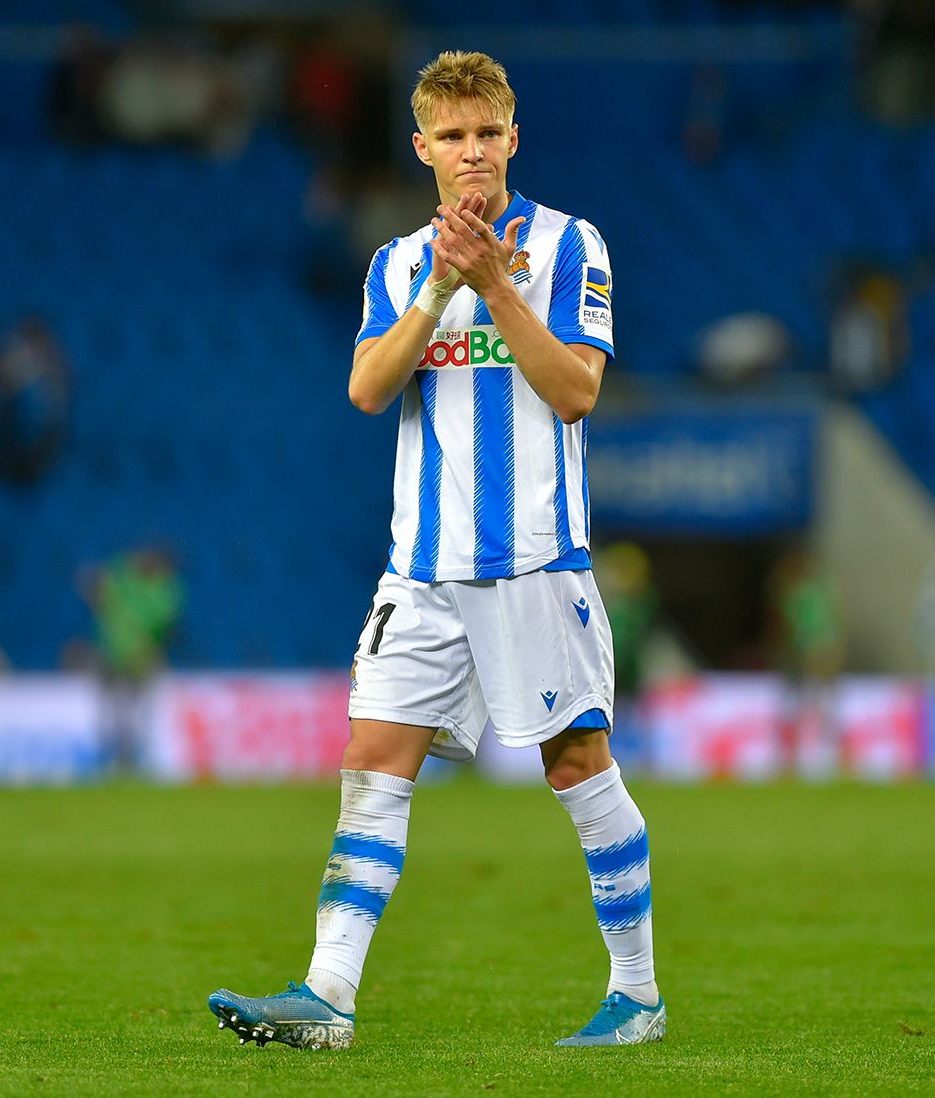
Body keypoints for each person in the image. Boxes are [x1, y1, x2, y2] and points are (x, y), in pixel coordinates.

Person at [209, 51, 662, 1050]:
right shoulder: (396, 262)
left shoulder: (568, 245)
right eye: (449, 138)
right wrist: (439, 292)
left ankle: (637, 992)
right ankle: (328, 996)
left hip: (534, 562)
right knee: (372, 760)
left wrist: (495, 285)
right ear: (421, 149)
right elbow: (367, 390)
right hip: (419, 569)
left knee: (575, 763)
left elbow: (577, 392)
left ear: (512, 137)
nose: (469, 154)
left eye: (485, 133)